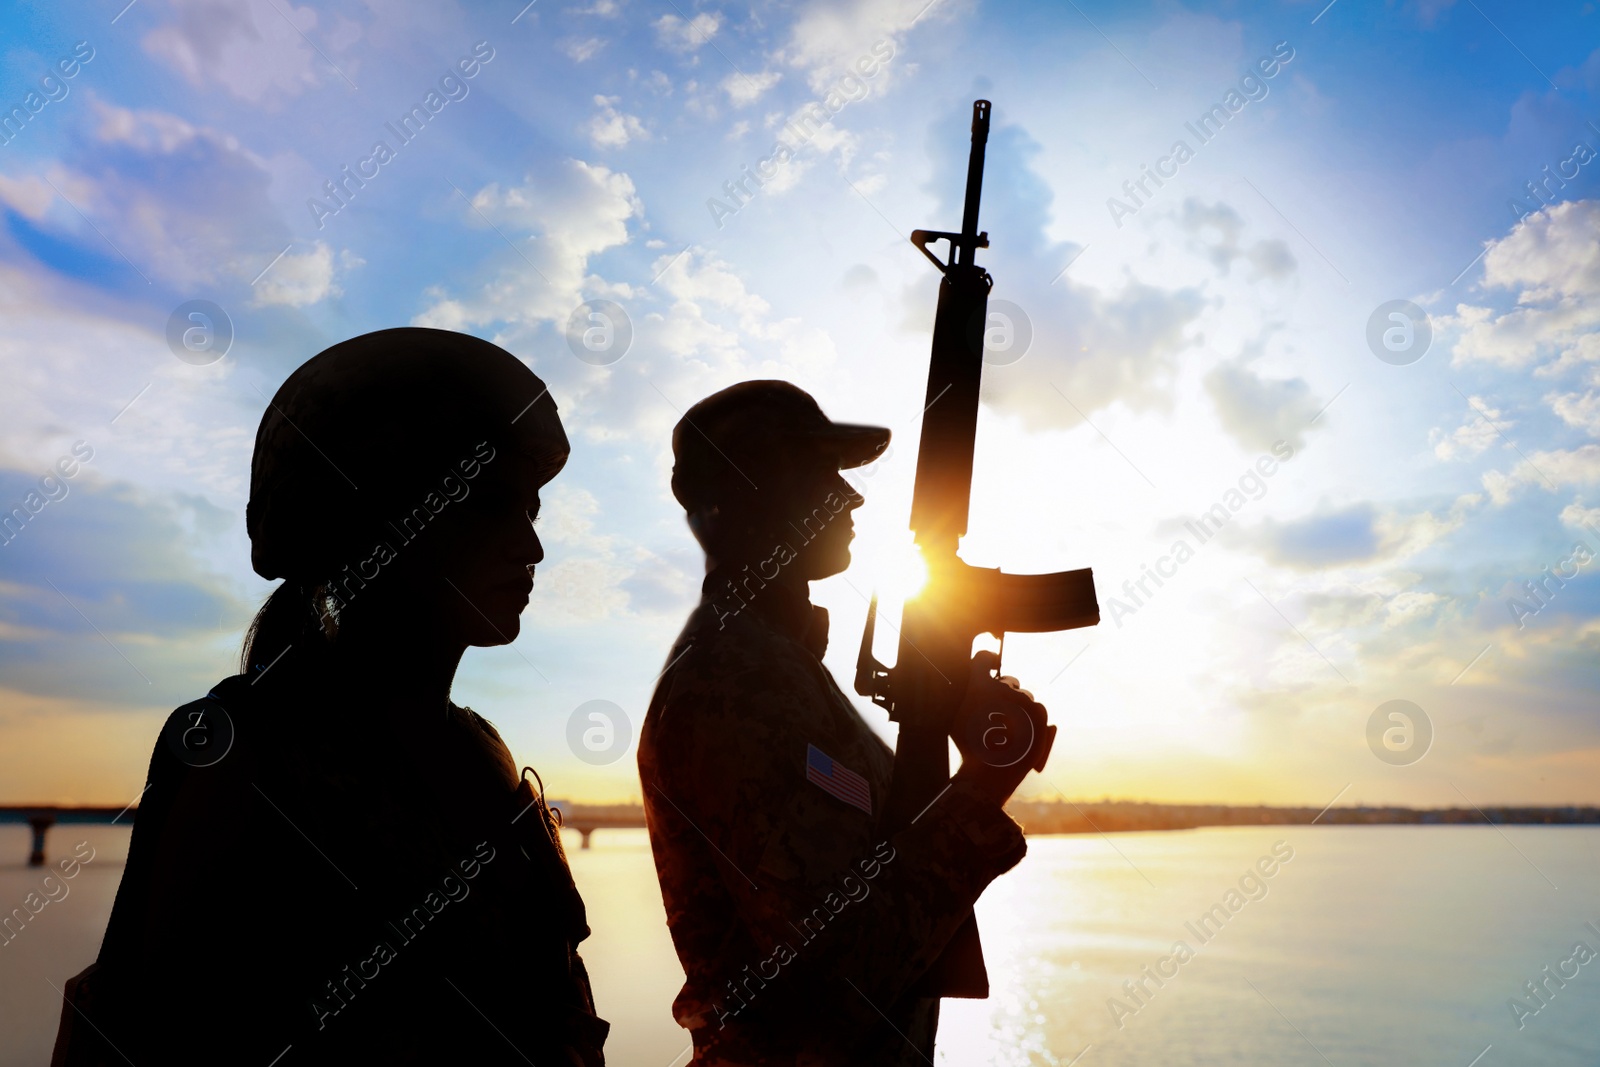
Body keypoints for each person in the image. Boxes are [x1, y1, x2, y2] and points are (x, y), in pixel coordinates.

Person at [52, 328, 609, 1066]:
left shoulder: (483, 752)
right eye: (488, 503)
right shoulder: (242, 753)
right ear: (369, 514)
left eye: (532, 509)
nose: (530, 544)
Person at [637, 380, 1052, 1065]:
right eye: (818, 474)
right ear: (751, 495)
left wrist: (946, 722)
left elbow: (874, 872)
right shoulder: (734, 680)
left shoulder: (783, 670)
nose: (850, 496)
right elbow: (836, 971)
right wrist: (983, 785)